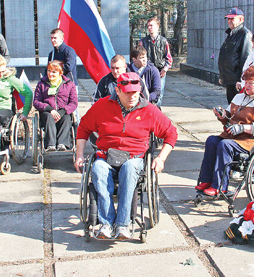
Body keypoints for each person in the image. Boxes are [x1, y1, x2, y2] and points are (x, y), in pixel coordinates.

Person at [74, 72, 178, 240]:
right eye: (128, 93)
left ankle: (122, 225)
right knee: (98, 169)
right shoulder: (102, 106)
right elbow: (83, 128)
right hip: (106, 156)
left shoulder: (149, 110)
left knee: (129, 170)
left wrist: (161, 158)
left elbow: (171, 133)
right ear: (118, 90)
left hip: (133, 157)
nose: (132, 97)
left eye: (135, 93)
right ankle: (106, 224)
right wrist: (79, 155)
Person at [196, 65, 254, 197]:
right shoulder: (239, 97)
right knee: (211, 141)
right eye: (246, 82)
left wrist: (243, 127)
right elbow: (229, 119)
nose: (247, 86)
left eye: (251, 83)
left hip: (249, 141)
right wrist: (222, 115)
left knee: (224, 145)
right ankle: (206, 180)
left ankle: (220, 186)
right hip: (233, 136)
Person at [33, 60, 78, 151]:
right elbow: (36, 102)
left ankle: (62, 144)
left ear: (60, 73)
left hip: (63, 111)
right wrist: (49, 109)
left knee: (67, 118)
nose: (50, 74)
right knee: (48, 116)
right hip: (47, 112)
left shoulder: (69, 85)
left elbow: (73, 103)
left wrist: (62, 111)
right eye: (49, 71)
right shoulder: (41, 84)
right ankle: (50, 145)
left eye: (54, 72)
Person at [218, 7, 253, 104]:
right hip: (229, 78)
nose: (229, 21)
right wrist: (222, 75)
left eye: (232, 19)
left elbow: (245, 59)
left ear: (241, 19)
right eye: (228, 19)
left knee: (238, 107)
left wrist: (241, 79)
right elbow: (225, 56)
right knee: (231, 106)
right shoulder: (231, 34)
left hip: (237, 80)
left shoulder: (244, 34)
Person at [139, 16, 172, 106]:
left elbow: (168, 58)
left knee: (159, 94)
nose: (149, 27)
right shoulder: (143, 42)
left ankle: (157, 112)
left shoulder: (163, 41)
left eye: (151, 25)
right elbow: (139, 57)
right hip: (147, 71)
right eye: (148, 26)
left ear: (157, 26)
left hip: (160, 71)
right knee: (146, 93)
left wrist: (164, 69)